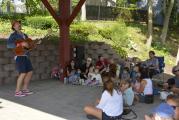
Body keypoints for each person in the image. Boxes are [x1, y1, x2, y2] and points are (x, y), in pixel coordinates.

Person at [7, 20, 34, 97]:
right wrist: (20, 43)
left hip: (26, 56)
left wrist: (34, 44)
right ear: (14, 27)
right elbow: (9, 45)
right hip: (19, 56)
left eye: (19, 23)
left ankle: (25, 89)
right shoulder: (13, 35)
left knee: (30, 72)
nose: (19, 24)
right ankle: (17, 92)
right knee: (23, 73)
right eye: (16, 24)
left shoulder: (25, 35)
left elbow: (29, 46)